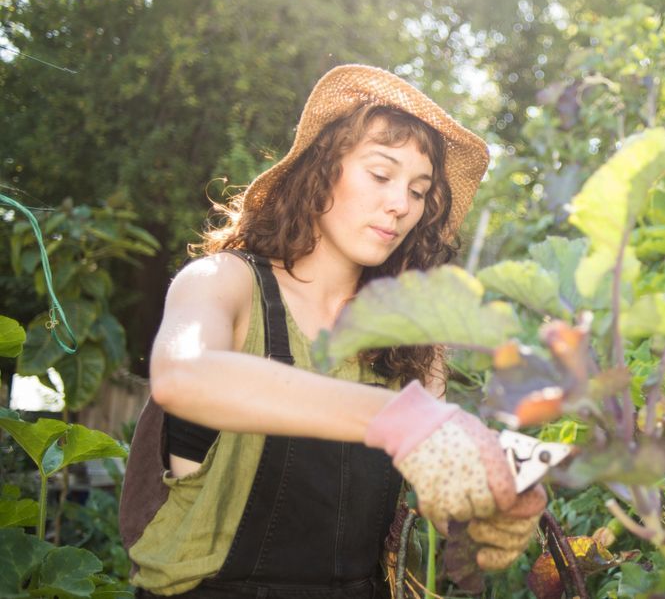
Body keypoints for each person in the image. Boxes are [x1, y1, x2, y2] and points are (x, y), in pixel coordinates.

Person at [118, 65, 546, 598]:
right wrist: (399, 419)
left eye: (418, 190)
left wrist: (498, 496)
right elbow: (183, 375)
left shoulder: (411, 344)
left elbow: (437, 498)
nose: (400, 204)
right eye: (380, 174)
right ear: (322, 169)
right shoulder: (224, 283)